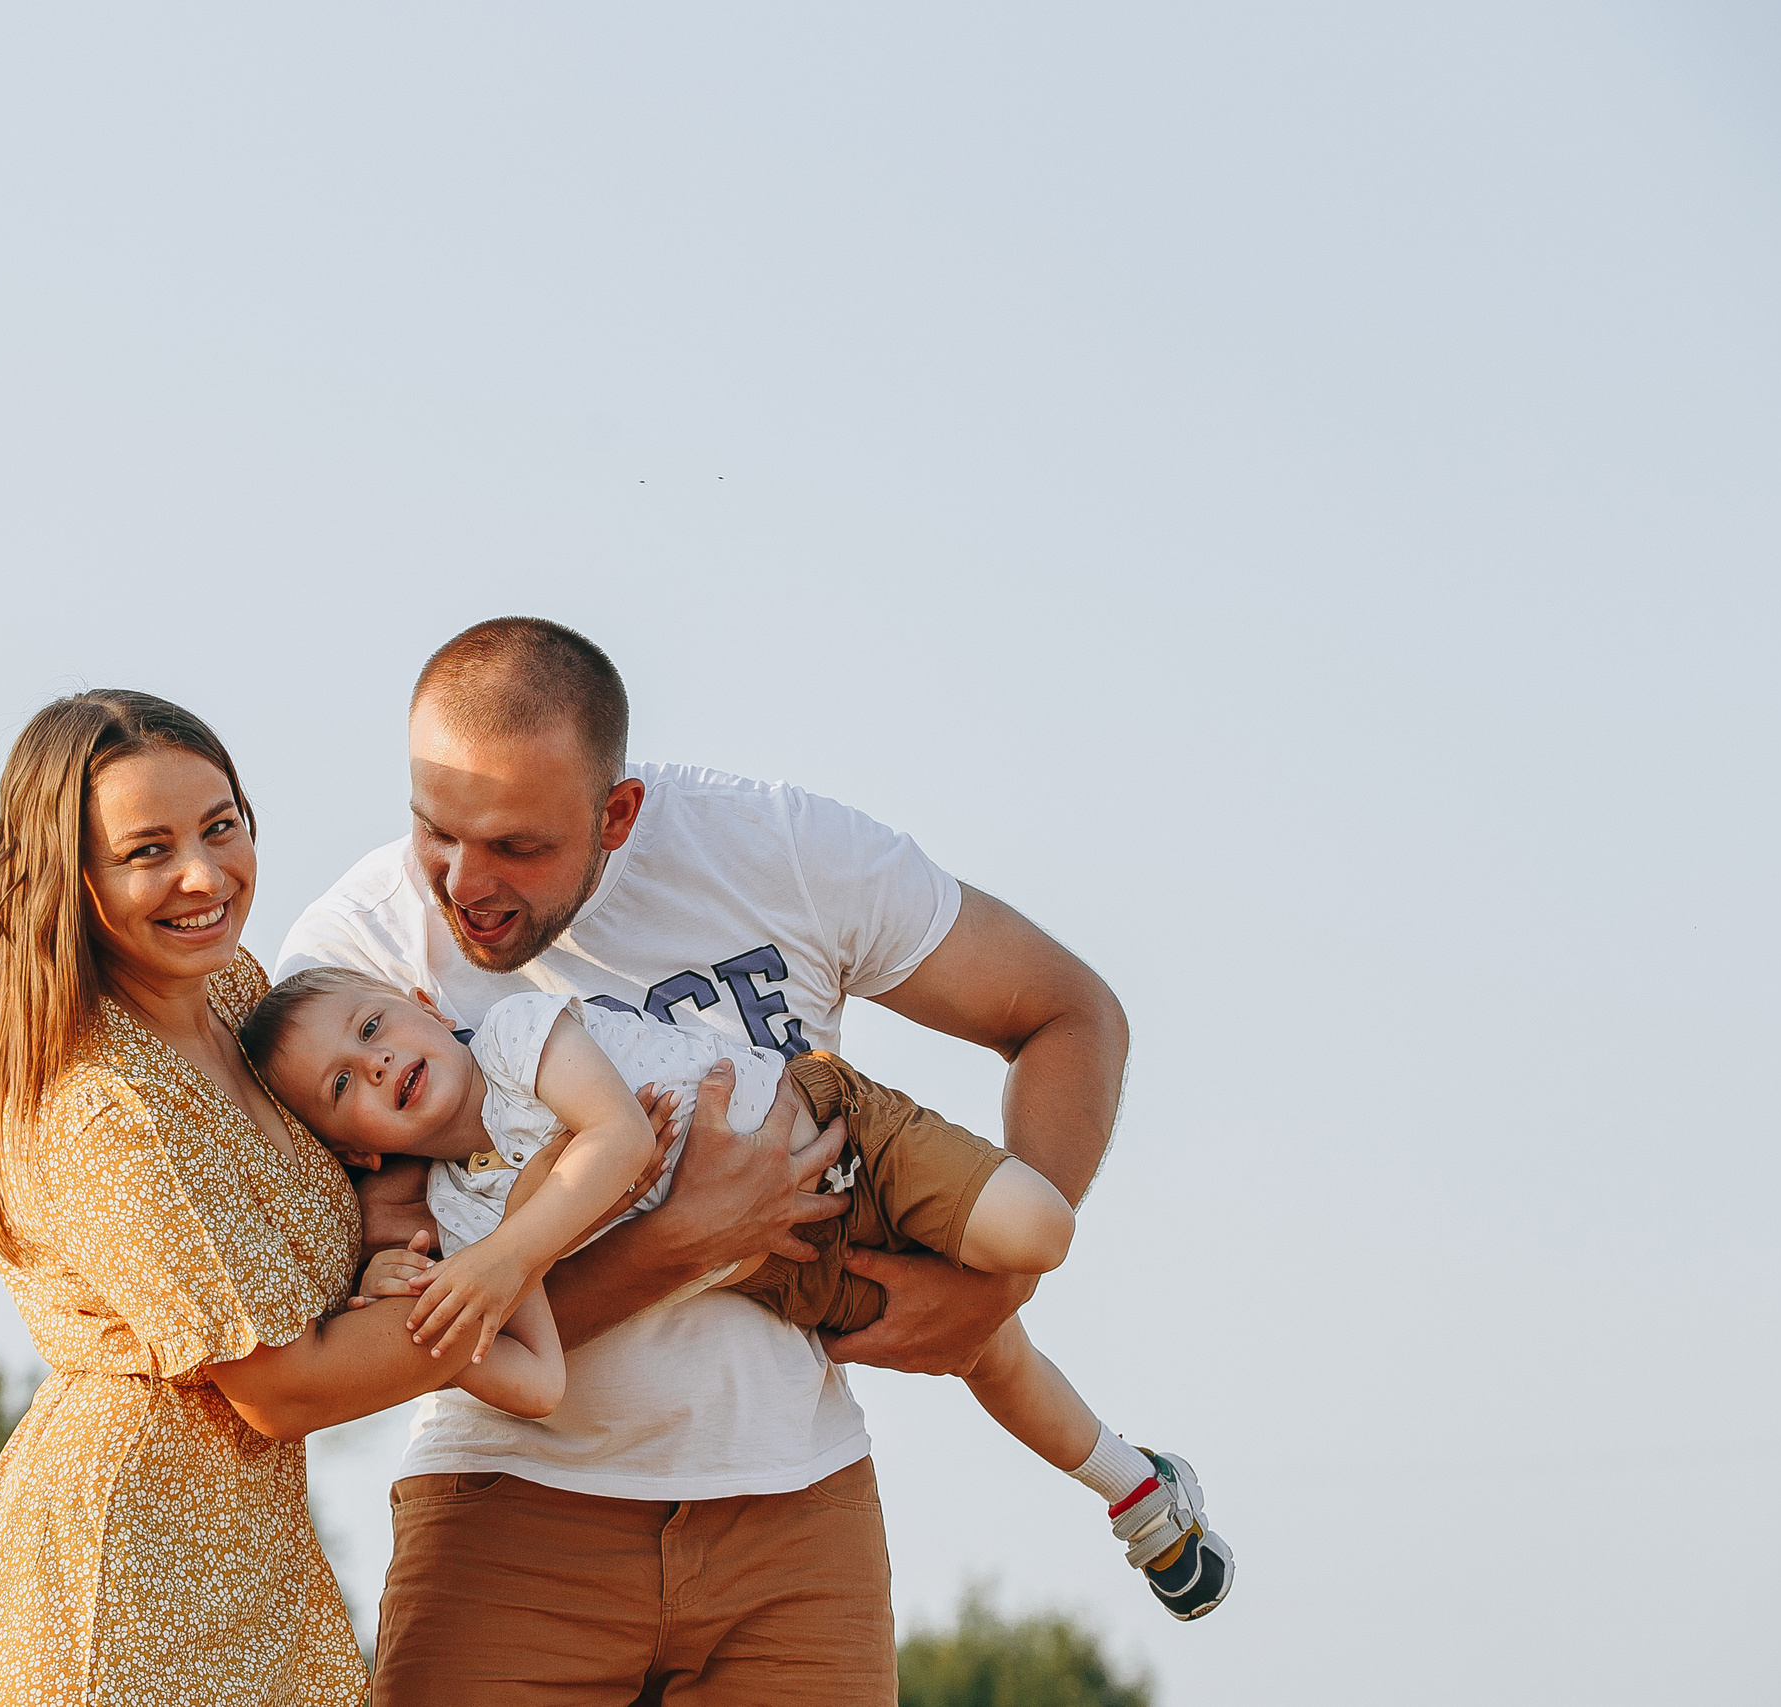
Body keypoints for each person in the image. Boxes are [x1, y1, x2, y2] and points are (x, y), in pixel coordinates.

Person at [275, 618, 1141, 1703]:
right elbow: (362, 1348)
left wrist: (994, 1289)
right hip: (506, 1513)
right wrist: (673, 1244)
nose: (465, 884)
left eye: (519, 847)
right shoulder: (347, 983)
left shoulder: (780, 849)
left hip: (794, 1510)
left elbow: (1068, 1012)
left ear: (617, 813)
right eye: (434, 831)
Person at [0, 690, 564, 1707]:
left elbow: (370, 1156)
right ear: (72, 877)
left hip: (247, 1563)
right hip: (122, 1587)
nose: (203, 876)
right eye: (147, 851)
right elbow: (285, 1386)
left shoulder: (231, 997)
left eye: (221, 827)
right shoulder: (106, 1107)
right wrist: (535, 1246)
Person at [240, 971, 1233, 1620]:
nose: (373, 1060)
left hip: (833, 1129)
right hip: (783, 1260)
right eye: (341, 1085)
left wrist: (504, 1259)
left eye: (372, 1026)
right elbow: (536, 1378)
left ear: (415, 998)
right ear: (360, 1148)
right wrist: (415, 1300)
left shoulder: (514, 1037)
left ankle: (1132, 1474)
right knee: (989, 1351)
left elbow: (619, 1141)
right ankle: (1137, 1489)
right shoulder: (460, 1224)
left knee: (1035, 1234)